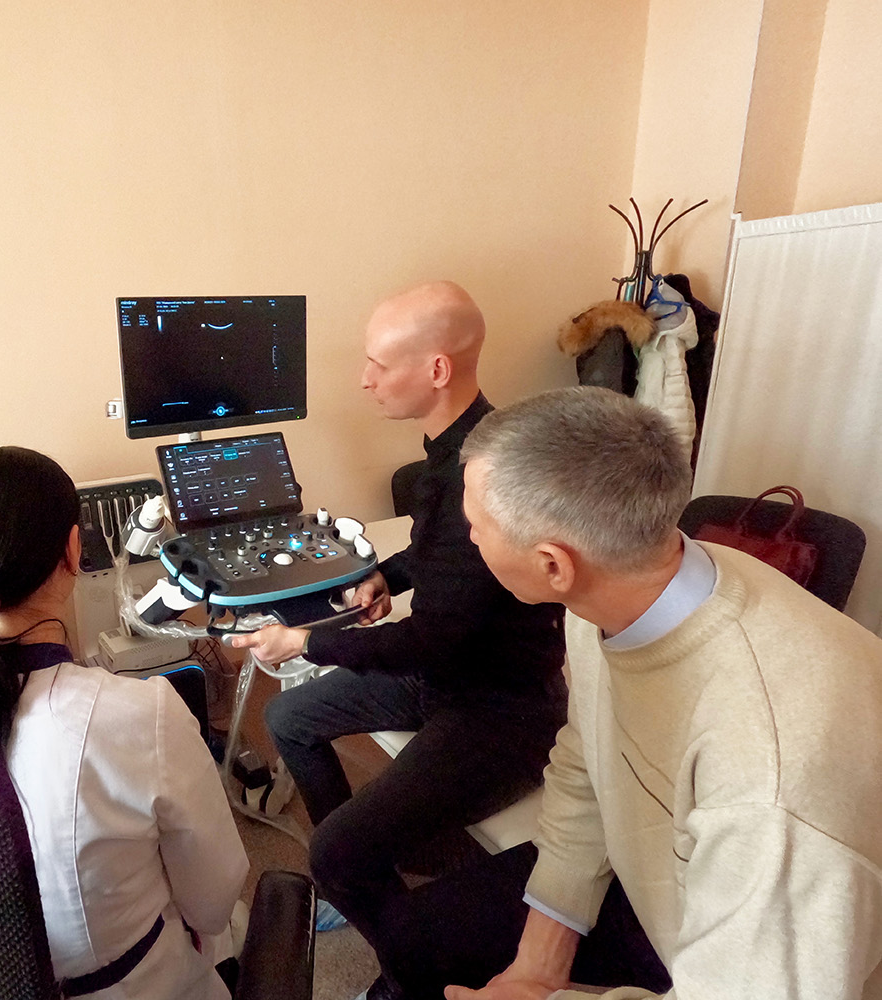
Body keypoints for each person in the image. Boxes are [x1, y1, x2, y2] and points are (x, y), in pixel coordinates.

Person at [382, 385, 882, 999]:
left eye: (475, 528)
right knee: (413, 936)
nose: (471, 540)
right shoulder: (615, 590)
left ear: (552, 564)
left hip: (755, 945)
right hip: (663, 876)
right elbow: (589, 754)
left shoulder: (768, 789)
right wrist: (538, 965)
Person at [230, 282, 567, 993]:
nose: (364, 379)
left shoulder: (486, 470)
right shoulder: (450, 453)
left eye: (378, 364)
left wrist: (305, 643)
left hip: (499, 709)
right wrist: (386, 573)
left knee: (334, 849)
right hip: (444, 675)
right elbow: (436, 552)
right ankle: (360, 874)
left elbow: (428, 642)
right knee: (288, 717)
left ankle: (407, 972)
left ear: (436, 369)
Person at [0, 446, 249, 1000]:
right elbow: (212, 902)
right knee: (234, 920)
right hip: (140, 988)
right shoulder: (143, 715)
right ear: (73, 551)